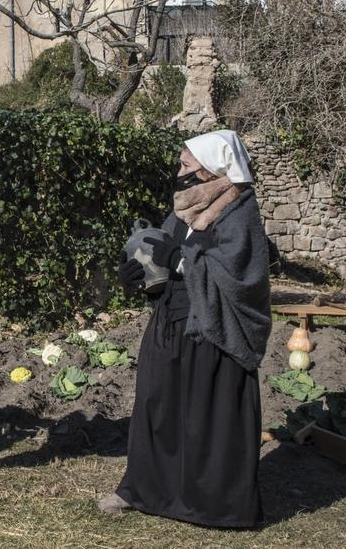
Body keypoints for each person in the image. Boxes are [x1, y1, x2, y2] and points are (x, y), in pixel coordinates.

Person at [102, 129, 272, 528]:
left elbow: (240, 277)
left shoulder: (238, 210)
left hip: (211, 332)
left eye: (187, 166)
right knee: (156, 407)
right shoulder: (185, 208)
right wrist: (141, 273)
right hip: (171, 322)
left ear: (212, 171)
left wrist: (179, 260)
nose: (179, 173)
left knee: (203, 420)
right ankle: (144, 490)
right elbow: (165, 258)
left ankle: (210, 506)